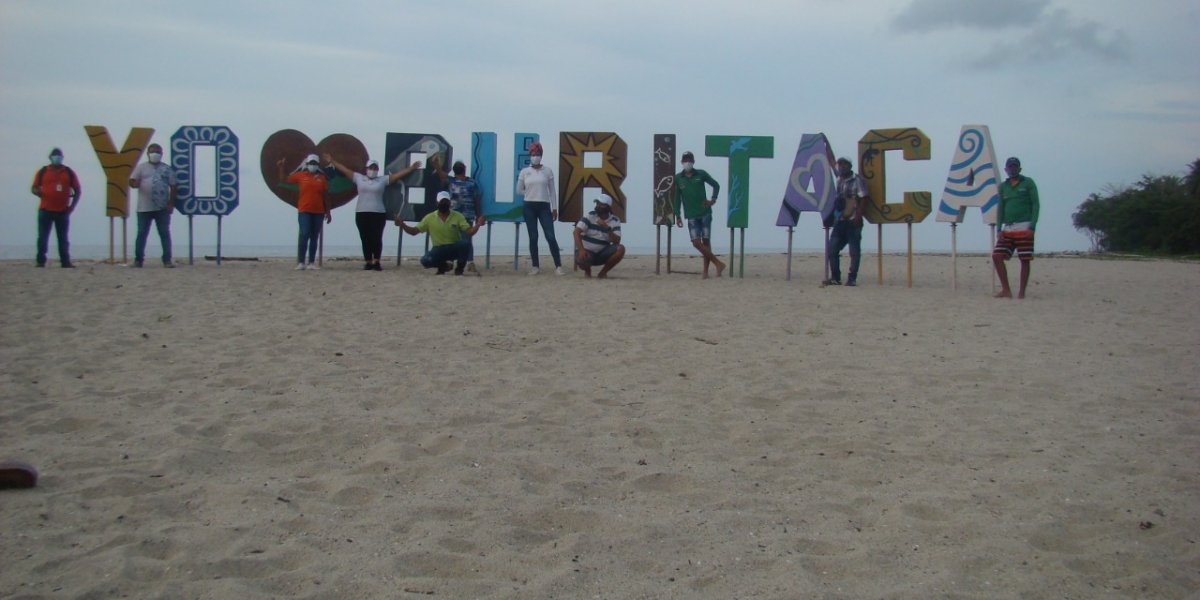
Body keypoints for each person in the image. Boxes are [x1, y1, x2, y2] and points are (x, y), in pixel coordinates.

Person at [323, 153, 420, 271]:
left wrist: (411, 168)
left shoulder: (382, 180)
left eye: (375, 168)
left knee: (377, 237)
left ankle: (377, 261)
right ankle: (368, 261)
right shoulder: (359, 178)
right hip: (362, 212)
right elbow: (345, 170)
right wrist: (332, 160)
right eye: (371, 168)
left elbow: (397, 176)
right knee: (365, 238)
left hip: (378, 212)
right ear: (366, 169)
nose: (372, 170)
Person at [394, 191, 481, 275]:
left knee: (465, 243)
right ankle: (443, 266)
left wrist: (478, 224)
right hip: (439, 249)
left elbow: (469, 232)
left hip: (454, 247)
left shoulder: (457, 216)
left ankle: (459, 269)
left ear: (449, 203)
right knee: (425, 260)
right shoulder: (429, 218)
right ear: (437, 203)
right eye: (441, 202)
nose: (444, 205)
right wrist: (402, 225)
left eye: (446, 202)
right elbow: (414, 231)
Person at [993, 157, 1040, 299]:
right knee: (996, 256)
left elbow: (1036, 204)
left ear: (1019, 168)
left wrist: (1032, 226)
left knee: (1024, 259)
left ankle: (1021, 293)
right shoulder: (1003, 187)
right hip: (1008, 227)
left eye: (1015, 167)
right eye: (1010, 167)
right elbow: (1000, 208)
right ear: (1006, 169)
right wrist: (999, 229)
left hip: (1024, 226)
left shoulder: (1028, 183)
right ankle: (1006, 289)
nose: (1012, 169)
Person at [672, 151, 725, 279]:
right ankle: (718, 263)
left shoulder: (701, 174)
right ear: (681, 162)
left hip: (704, 212)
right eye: (685, 160)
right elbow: (677, 198)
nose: (687, 162)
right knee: (696, 242)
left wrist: (712, 200)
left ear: (693, 161)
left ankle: (706, 272)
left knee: (706, 242)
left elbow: (716, 185)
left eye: (689, 160)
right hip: (691, 214)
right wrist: (677, 215)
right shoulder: (678, 178)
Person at [516, 142, 563, 275]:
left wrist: (554, 208)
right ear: (530, 156)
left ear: (541, 155)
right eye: (533, 154)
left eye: (537, 154)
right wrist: (529, 192)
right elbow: (519, 189)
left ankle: (558, 266)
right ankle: (535, 266)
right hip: (529, 206)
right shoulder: (525, 172)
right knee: (533, 236)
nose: (535, 156)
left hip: (544, 205)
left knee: (550, 235)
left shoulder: (547, 171)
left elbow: (552, 191)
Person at [431, 157, 485, 274]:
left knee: (467, 239)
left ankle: (469, 262)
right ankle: (450, 262)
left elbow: (476, 199)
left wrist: (478, 214)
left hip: (467, 214)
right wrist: (436, 164)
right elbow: (441, 174)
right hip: (453, 215)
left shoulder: (471, 182)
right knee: (452, 239)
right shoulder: (450, 181)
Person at [278, 154, 331, 270]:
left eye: (315, 164)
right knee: (304, 233)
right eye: (311, 163)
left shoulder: (321, 178)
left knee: (314, 236)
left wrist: (328, 211)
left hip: (318, 211)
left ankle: (311, 262)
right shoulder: (301, 175)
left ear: (317, 165)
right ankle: (301, 262)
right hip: (304, 210)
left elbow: (325, 195)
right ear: (307, 165)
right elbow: (284, 180)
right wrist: (281, 167)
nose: (313, 165)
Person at [128, 143, 178, 268]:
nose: (154, 154)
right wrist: (135, 184)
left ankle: (167, 260)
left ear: (161, 154)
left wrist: (171, 203)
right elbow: (132, 181)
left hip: (162, 208)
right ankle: (138, 260)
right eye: (152, 151)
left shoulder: (167, 169)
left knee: (164, 233)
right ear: (148, 154)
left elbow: (173, 186)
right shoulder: (141, 168)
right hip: (144, 208)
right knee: (142, 233)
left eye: (157, 152)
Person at [31, 147, 81, 268]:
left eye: (59, 155)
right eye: (55, 155)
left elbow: (78, 190)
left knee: (63, 238)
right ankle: (41, 261)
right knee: (43, 237)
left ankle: (65, 261)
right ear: (50, 158)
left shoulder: (68, 172)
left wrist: (72, 207)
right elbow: (34, 187)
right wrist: (37, 191)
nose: (57, 157)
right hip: (45, 210)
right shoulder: (43, 171)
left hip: (63, 211)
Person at [824, 157, 869, 286]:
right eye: (840, 164)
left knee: (854, 251)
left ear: (850, 165)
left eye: (844, 163)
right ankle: (835, 277)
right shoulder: (839, 178)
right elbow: (831, 161)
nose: (842, 166)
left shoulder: (857, 180)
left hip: (853, 220)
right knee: (832, 249)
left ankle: (852, 278)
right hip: (840, 220)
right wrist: (825, 142)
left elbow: (864, 198)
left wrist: (858, 217)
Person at [573, 194, 625, 278]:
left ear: (608, 207)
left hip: (602, 253)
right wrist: (581, 250)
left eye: (602, 204)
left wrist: (607, 228)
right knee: (582, 260)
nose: (598, 206)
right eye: (597, 203)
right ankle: (587, 271)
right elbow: (576, 232)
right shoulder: (590, 215)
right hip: (587, 251)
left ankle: (603, 273)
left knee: (620, 249)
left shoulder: (615, 220)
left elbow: (616, 241)